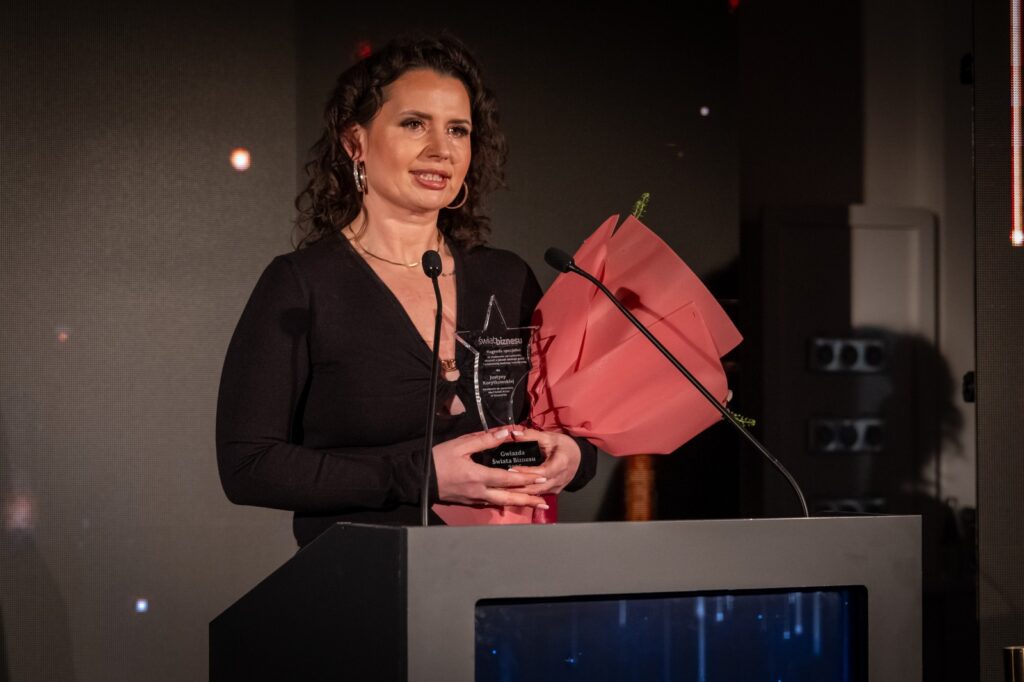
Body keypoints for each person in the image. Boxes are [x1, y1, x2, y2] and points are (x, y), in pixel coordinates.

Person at [216, 34, 597, 547]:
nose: (441, 149)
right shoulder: (302, 284)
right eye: (414, 124)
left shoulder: (507, 278)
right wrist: (422, 477)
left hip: (507, 567)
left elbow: (564, 430)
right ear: (355, 142)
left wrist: (573, 458)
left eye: (458, 130)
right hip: (364, 574)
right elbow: (248, 464)